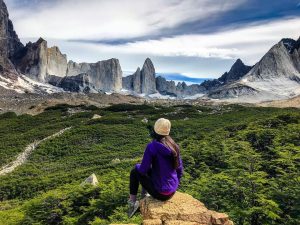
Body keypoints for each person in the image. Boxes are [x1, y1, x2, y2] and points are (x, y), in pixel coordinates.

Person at [128, 118, 183, 217]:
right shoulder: (174, 145)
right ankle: (144, 196)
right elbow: (179, 170)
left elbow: (143, 170)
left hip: (160, 193)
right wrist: (173, 186)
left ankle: (132, 203)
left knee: (135, 171)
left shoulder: (152, 146)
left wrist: (137, 166)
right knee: (151, 171)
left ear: (155, 129)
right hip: (172, 190)